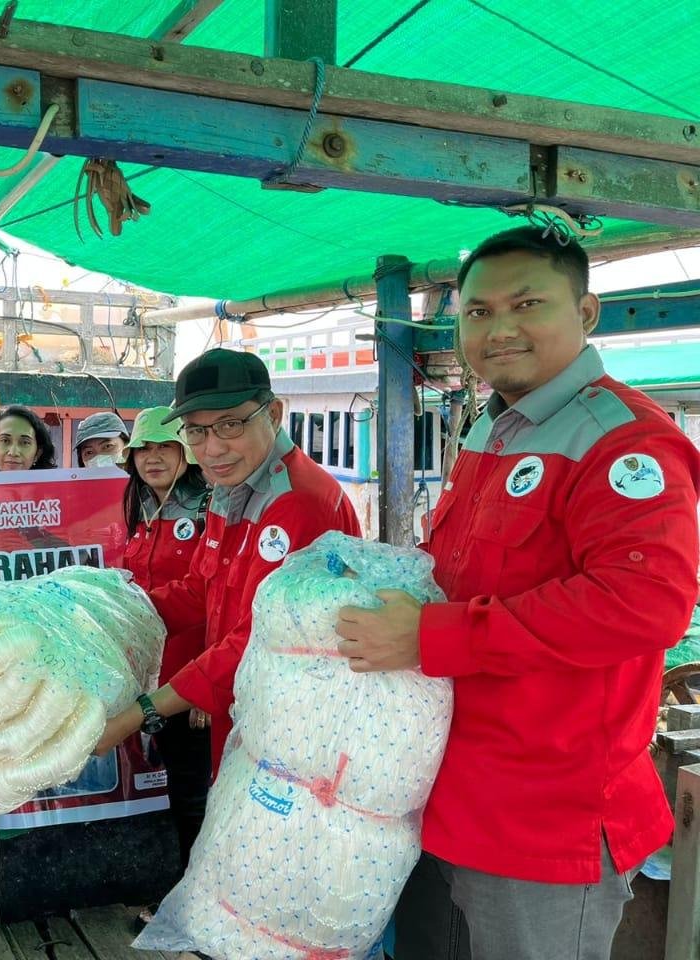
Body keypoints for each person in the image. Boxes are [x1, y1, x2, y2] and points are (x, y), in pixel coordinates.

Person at [334, 227, 700, 960]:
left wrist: (432, 635)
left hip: (546, 817)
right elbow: (466, 573)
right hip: (453, 791)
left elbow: (644, 603)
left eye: (527, 304)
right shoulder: (494, 430)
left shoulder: (623, 441)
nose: (499, 330)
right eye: (477, 312)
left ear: (586, 313)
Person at [94, 349, 361, 777]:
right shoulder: (230, 484)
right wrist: (112, 615)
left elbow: (259, 639)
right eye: (196, 432)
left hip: (293, 733)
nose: (213, 448)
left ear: (273, 414)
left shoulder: (299, 502)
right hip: (241, 713)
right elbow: (202, 589)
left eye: (230, 424)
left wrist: (139, 712)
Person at [118, 406, 212, 872]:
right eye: (143, 449)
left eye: (164, 447)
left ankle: (194, 899)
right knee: (181, 788)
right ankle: (187, 892)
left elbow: (218, 599)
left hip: (197, 681)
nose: (152, 458)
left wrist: (207, 691)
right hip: (157, 678)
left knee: (197, 795)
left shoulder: (210, 507)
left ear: (187, 453)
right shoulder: (140, 509)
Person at [0, 404, 57, 471]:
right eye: (5, 441)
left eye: (25, 442)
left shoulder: (54, 493)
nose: (13, 452)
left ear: (37, 453)